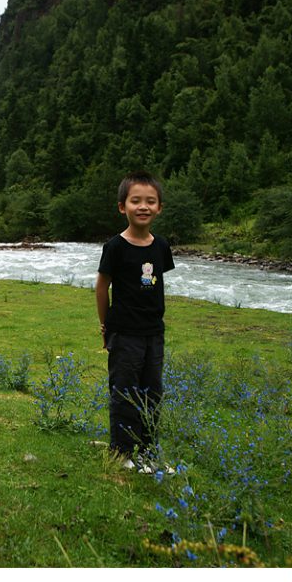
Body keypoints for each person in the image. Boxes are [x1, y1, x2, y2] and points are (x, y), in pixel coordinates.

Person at [95, 171, 174, 471]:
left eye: (150, 201)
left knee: (152, 394)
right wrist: (105, 325)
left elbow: (154, 284)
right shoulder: (115, 246)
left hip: (154, 332)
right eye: (136, 200)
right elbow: (102, 287)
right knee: (124, 393)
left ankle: (148, 453)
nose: (143, 206)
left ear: (159, 208)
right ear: (122, 207)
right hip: (124, 332)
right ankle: (121, 452)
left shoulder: (161, 246)